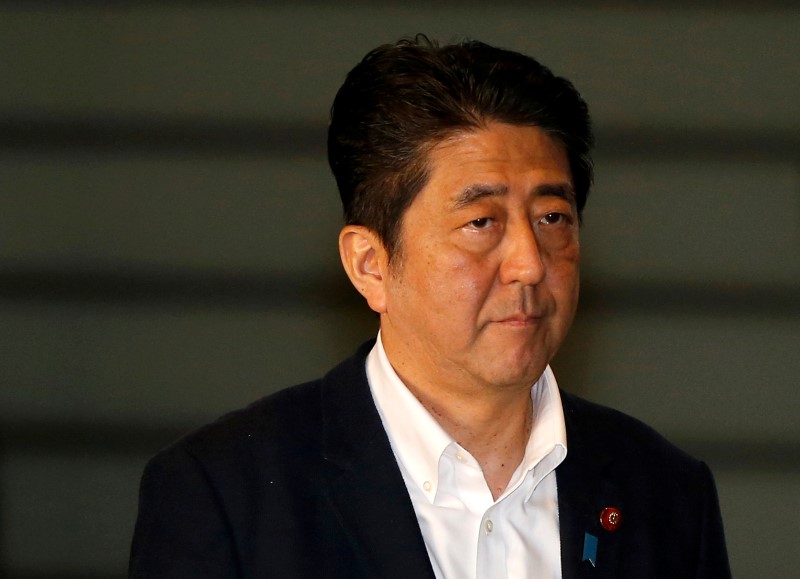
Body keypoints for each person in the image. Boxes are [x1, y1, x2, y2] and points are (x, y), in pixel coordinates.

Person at [129, 36, 730, 578]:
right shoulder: (227, 494)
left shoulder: (664, 492)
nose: (529, 262)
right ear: (371, 265)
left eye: (552, 218)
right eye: (480, 222)